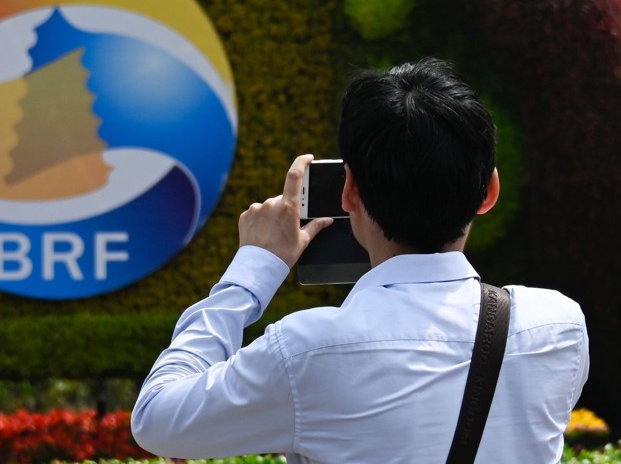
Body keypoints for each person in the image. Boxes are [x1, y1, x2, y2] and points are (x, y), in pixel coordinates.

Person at [131, 58, 589, 463]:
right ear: (489, 192)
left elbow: (156, 418)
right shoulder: (557, 327)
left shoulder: (307, 350)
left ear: (349, 191)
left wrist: (253, 269)